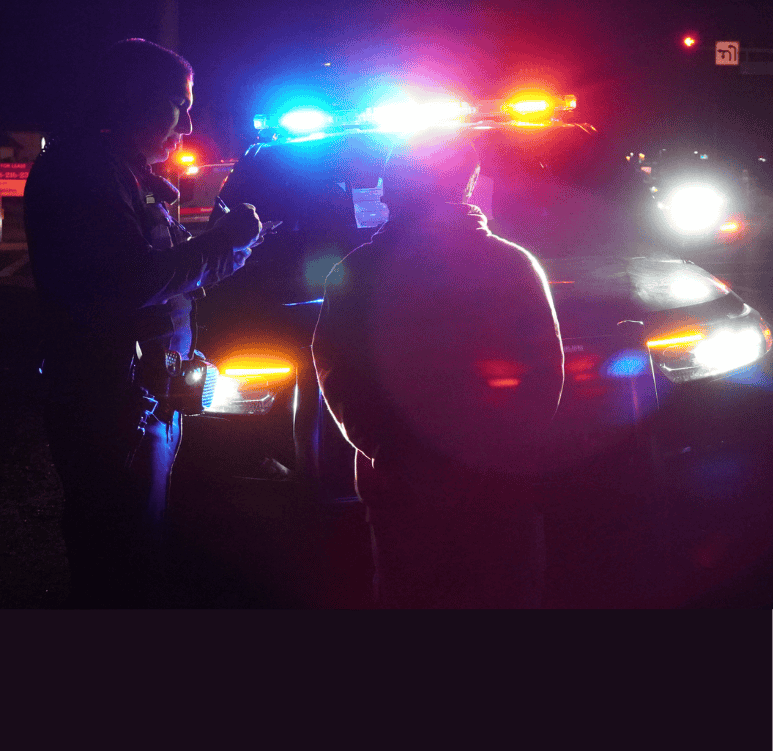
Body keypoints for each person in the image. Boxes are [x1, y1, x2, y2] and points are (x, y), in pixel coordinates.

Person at [24, 38, 265, 608]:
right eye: (178, 105)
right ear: (135, 97)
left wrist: (222, 252)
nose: (186, 123)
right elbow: (127, 281)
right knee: (120, 559)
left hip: (137, 398)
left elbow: (157, 277)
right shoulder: (85, 170)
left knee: (134, 547)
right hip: (112, 403)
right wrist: (223, 247)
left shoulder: (115, 170)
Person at [311, 131, 565, 608]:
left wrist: (389, 451)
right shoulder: (512, 264)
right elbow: (543, 374)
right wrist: (508, 449)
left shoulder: (359, 272)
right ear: (468, 185)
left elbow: (339, 374)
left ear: (395, 186)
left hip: (405, 487)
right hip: (499, 485)